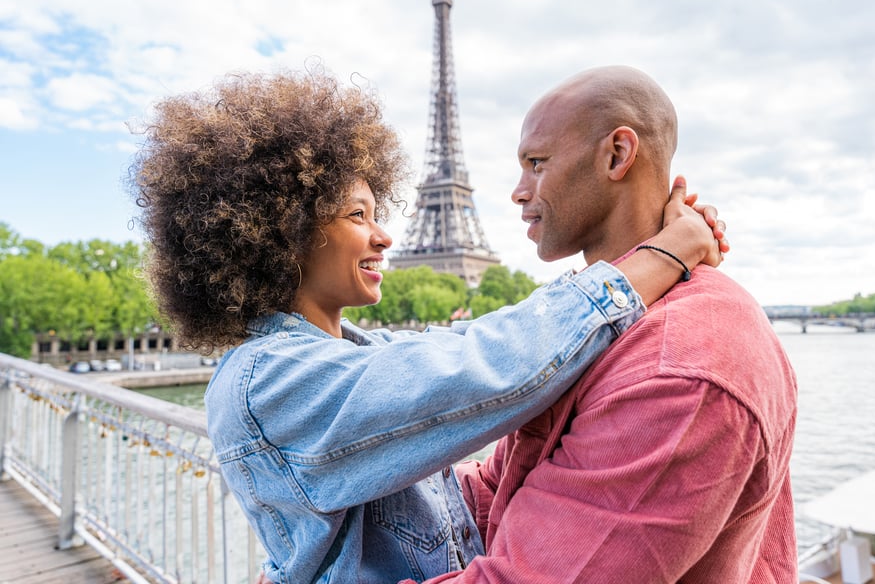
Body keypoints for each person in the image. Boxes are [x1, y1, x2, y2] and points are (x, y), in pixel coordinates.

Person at [130, 69, 725, 584]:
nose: (385, 235)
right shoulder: (270, 384)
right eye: (357, 215)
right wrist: (667, 254)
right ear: (287, 233)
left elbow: (477, 346)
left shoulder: (357, 354)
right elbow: (492, 366)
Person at [409, 66, 798, 583]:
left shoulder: (680, 370)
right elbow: (497, 489)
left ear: (617, 155)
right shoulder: (612, 328)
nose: (518, 192)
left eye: (537, 164)